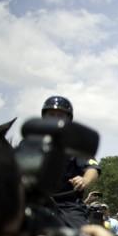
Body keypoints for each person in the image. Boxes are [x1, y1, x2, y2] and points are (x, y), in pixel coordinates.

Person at [40, 96, 101, 229]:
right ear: (44, 117)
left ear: (68, 119)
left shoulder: (76, 146)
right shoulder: (31, 142)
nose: (55, 118)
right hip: (35, 202)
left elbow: (92, 167)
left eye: (60, 115)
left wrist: (84, 180)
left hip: (67, 206)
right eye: (51, 114)